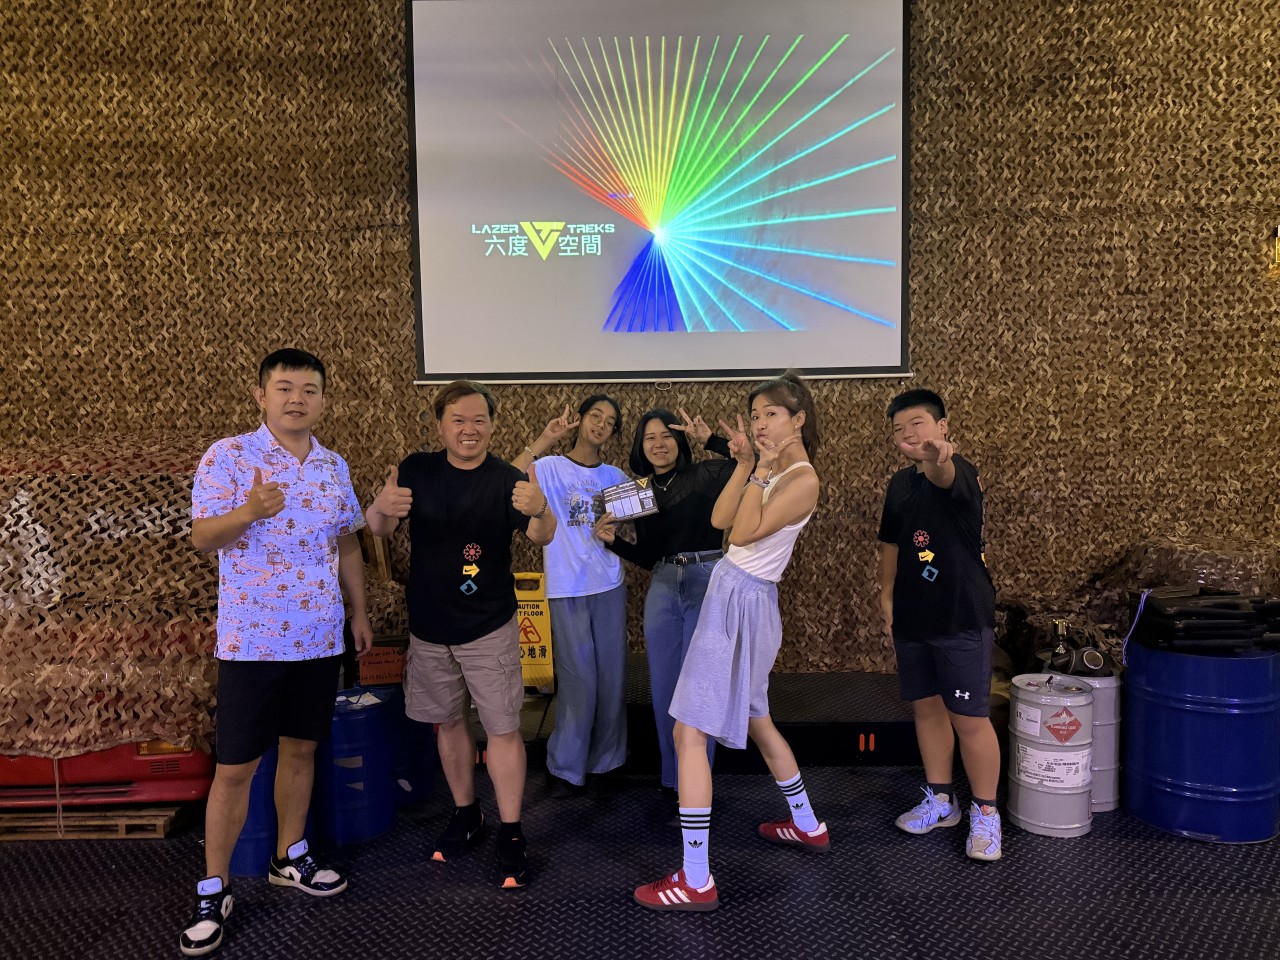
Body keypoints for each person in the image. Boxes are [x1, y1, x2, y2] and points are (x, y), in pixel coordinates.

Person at [182, 348, 372, 957]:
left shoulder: (333, 465)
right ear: (261, 395)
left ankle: (290, 857)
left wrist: (359, 612)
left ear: (323, 400)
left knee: (302, 751)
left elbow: (347, 542)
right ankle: (214, 887)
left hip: (319, 638)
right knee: (236, 767)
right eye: (285, 387)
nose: (297, 398)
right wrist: (248, 511)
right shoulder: (228, 456)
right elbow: (202, 537)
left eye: (309, 389)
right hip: (253, 641)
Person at [634, 371, 828, 913]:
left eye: (772, 414)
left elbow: (741, 535)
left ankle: (696, 879)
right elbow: (721, 519)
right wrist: (744, 464)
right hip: (737, 595)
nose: (761, 423)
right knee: (757, 718)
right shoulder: (770, 470)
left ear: (799, 419)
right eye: (756, 414)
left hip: (740, 601)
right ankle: (807, 823)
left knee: (687, 732)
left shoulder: (801, 479)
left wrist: (759, 468)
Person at [365, 380, 556, 890]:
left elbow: (543, 534)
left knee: (503, 729)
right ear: (439, 426)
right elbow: (379, 527)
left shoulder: (507, 478)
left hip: (488, 626)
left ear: (492, 426)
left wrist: (541, 509)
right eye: (459, 420)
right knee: (448, 724)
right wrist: (381, 505)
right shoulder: (416, 469)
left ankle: (511, 831)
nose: (469, 429)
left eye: (479, 420)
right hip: (429, 628)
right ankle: (466, 813)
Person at [878, 388, 1002, 861]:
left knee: (969, 719)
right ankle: (941, 800)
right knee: (927, 710)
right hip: (913, 617)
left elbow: (942, 472)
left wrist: (938, 458)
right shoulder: (898, 483)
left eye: (918, 423)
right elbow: (891, 544)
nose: (909, 434)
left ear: (942, 426)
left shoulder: (958, 470)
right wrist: (886, 597)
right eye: (899, 428)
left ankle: (986, 813)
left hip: (961, 616)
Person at [593, 408, 734, 801]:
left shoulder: (706, 473)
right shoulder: (638, 492)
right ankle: (674, 781)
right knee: (665, 689)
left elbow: (752, 463)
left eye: (667, 436)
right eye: (650, 437)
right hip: (663, 584)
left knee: (699, 688)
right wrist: (615, 543)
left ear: (680, 441)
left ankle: (698, 785)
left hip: (706, 578)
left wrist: (711, 440)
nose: (659, 444)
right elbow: (650, 554)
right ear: (640, 446)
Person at [511, 397, 628, 797]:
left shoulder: (615, 476)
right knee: (579, 681)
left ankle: (608, 761)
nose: (601, 424)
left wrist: (616, 532)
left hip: (609, 584)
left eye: (609, 421)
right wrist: (545, 438)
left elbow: (627, 530)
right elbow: (504, 479)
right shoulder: (549, 467)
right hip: (567, 587)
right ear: (579, 419)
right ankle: (566, 767)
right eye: (595, 415)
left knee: (611, 680)